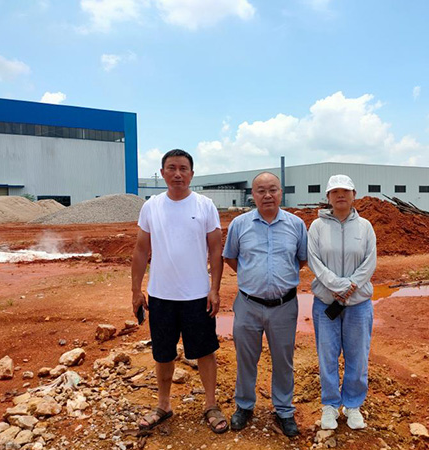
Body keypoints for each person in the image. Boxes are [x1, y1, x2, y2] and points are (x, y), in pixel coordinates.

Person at [131, 149, 228, 434]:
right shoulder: (151, 207)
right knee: (163, 353)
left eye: (183, 168)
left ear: (192, 174)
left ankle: (211, 404)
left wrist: (215, 289)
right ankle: (163, 405)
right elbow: (141, 250)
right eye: (171, 168)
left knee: (205, 351)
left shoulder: (205, 205)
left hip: (197, 296)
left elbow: (215, 250)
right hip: (161, 296)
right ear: (162, 173)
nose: (177, 174)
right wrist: (136, 290)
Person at [223, 172, 308, 437]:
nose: (267, 195)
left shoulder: (296, 225)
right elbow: (231, 257)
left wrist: (279, 280)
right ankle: (244, 406)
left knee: (283, 360)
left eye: (273, 189)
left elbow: (301, 259)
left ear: (281, 193)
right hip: (248, 304)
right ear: (253, 195)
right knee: (246, 358)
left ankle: (284, 410)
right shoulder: (239, 224)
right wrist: (253, 279)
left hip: (284, 306)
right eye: (261, 190)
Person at [307, 174, 376, 430]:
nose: (340, 195)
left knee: (357, 356)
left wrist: (350, 287)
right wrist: (338, 286)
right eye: (335, 191)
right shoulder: (317, 227)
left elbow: (370, 262)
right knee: (327, 355)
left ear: (354, 195)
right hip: (326, 303)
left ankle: (353, 405)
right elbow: (314, 261)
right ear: (327, 197)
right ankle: (330, 406)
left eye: (345, 191)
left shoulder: (365, 227)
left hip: (358, 304)